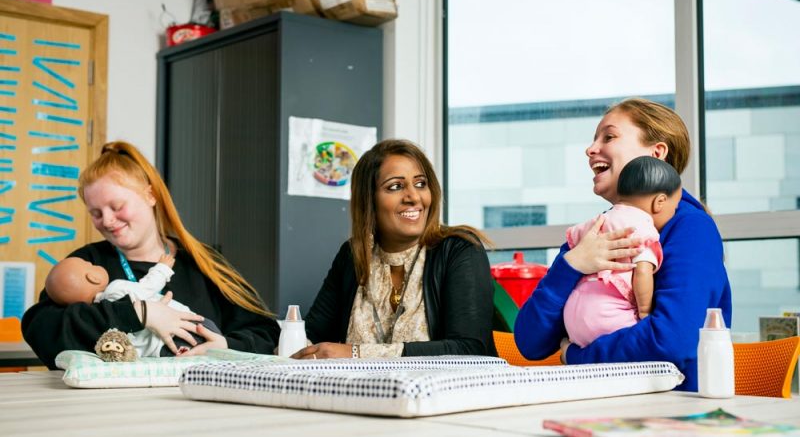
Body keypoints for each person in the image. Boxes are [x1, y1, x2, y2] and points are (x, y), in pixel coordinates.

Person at [514, 98, 731, 392]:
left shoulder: (691, 229)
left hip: (669, 414)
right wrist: (572, 265)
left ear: (657, 154)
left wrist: (576, 356)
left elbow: (671, 342)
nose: (590, 150)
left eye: (609, 136)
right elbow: (531, 342)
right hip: (596, 404)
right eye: (594, 139)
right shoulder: (595, 234)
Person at [23, 141, 280, 369]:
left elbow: (265, 332)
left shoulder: (204, 261)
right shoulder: (87, 265)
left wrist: (224, 346)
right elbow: (41, 329)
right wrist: (139, 313)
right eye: (96, 213)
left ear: (150, 195)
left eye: (117, 206)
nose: (108, 221)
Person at [293, 139, 497, 359]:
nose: (414, 197)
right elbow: (311, 335)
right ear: (369, 200)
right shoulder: (353, 254)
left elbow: (469, 349)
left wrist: (355, 353)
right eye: (395, 187)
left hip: (443, 392)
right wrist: (292, 344)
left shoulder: (460, 250)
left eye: (420, 184)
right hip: (364, 392)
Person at [563, 156, 681, 348]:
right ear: (659, 202)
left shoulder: (597, 221)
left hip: (573, 318)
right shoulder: (643, 228)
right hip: (609, 317)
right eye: (674, 207)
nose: (674, 213)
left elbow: (574, 249)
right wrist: (644, 311)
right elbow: (642, 271)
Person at [44, 254, 221, 357]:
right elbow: (146, 288)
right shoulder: (114, 288)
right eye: (90, 264)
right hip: (187, 329)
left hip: (160, 352)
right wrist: (162, 268)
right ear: (93, 278)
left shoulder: (100, 313)